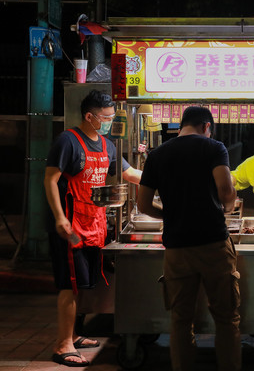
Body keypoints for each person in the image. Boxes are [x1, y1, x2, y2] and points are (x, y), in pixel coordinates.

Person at [137, 106, 240, 371]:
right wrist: (226, 209)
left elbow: (144, 205)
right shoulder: (214, 148)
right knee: (227, 318)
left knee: (181, 320)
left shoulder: (157, 155)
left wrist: (172, 215)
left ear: (182, 124)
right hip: (213, 245)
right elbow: (226, 190)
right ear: (207, 126)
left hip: (177, 249)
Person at [44, 90, 141, 367]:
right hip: (70, 226)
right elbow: (50, 180)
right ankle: (62, 345)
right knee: (69, 287)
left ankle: (73, 335)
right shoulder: (68, 141)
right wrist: (60, 218)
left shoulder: (107, 145)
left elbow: (129, 174)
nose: (110, 121)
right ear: (90, 116)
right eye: (106, 117)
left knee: (83, 285)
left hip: (93, 224)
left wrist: (164, 178)